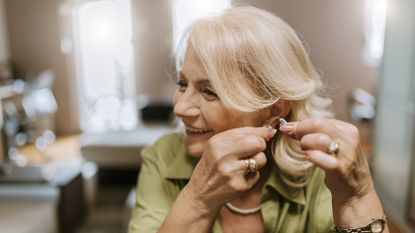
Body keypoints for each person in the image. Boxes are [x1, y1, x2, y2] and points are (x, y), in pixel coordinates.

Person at [129, 6, 388, 233]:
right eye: (183, 84)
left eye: (209, 91)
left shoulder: (320, 170)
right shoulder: (162, 157)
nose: (181, 108)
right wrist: (198, 199)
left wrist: (357, 197)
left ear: (274, 111)